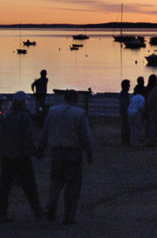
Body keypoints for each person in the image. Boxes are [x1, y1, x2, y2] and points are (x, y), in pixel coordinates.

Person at [38, 90, 93, 225]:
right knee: (73, 184)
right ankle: (69, 215)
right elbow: (85, 136)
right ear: (76, 99)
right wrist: (89, 152)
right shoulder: (79, 114)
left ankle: (52, 205)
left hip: (56, 150)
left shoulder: (53, 111)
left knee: (55, 180)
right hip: (73, 151)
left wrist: (41, 147)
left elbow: (45, 131)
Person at [0, 92, 44, 222]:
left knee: (5, 185)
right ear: (23, 103)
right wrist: (35, 152)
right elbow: (26, 138)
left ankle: (2, 213)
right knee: (29, 185)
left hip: (7, 155)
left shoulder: (6, 116)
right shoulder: (24, 117)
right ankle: (37, 210)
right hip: (21, 156)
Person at [118, 79, 131, 145]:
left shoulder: (124, 93)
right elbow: (124, 104)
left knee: (125, 125)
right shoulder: (124, 94)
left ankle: (125, 139)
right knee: (125, 126)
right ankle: (125, 139)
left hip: (124, 111)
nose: (129, 86)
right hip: (125, 111)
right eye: (128, 85)